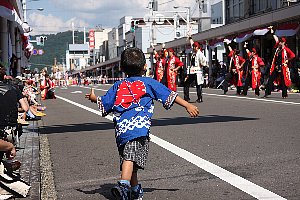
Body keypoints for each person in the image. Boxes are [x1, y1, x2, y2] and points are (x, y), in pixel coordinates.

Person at [85, 47, 199, 200]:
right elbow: (169, 95)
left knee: (128, 159)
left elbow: (105, 102)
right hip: (138, 128)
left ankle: (135, 189)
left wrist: (93, 97)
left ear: (122, 68)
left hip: (121, 130)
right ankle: (123, 185)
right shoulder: (149, 83)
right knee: (130, 158)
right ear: (145, 67)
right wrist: (187, 105)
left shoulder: (118, 86)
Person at [264, 26, 295, 98]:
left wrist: (287, 60)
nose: (279, 43)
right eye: (279, 42)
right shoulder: (278, 49)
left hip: (283, 66)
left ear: (283, 42)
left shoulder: (286, 49)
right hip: (277, 66)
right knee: (270, 79)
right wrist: (272, 31)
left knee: (283, 80)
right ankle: (267, 93)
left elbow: (293, 55)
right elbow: (275, 39)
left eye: (281, 42)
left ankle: (284, 94)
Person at [184, 37, 208, 102]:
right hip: (192, 71)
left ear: (198, 47)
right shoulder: (194, 53)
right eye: (194, 47)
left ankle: (199, 98)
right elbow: (192, 44)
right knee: (186, 83)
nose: (194, 48)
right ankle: (186, 98)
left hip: (198, 71)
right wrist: (190, 38)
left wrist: (202, 64)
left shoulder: (200, 54)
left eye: (195, 47)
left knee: (198, 84)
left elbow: (205, 61)